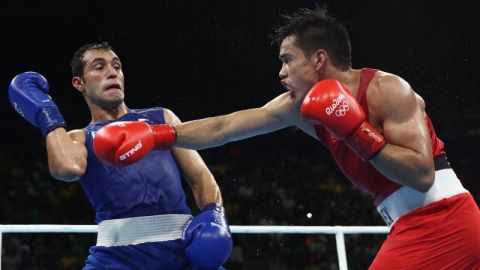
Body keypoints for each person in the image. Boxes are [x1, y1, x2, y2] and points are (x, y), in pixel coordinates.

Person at [95, 6, 480, 269]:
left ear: (318, 59)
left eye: (287, 59)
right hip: (410, 223)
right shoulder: (297, 106)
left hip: (442, 219)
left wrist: (355, 130)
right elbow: (226, 127)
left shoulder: (386, 89)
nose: (281, 71)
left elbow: (421, 173)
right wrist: (159, 134)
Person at [7, 41, 232, 270]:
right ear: (79, 83)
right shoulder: (79, 138)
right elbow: (66, 169)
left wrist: (214, 213)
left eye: (117, 66)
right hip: (115, 259)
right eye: (99, 67)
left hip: (183, 254)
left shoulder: (161, 119)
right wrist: (48, 116)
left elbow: (201, 178)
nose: (112, 72)